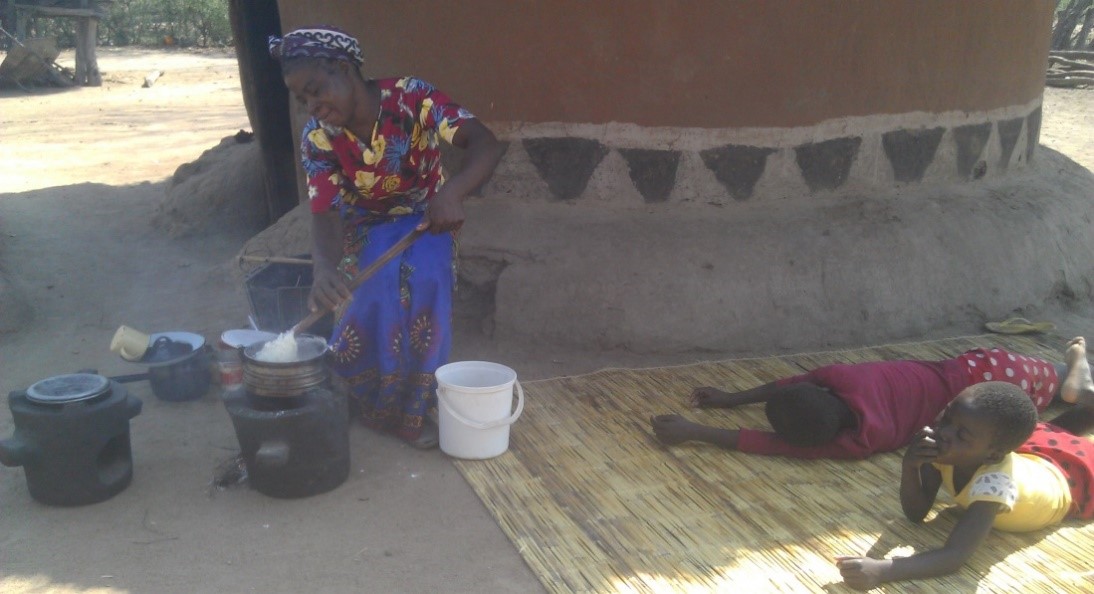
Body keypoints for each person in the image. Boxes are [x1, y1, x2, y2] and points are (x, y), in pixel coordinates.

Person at [268, 26, 503, 448]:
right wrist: (323, 267)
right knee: (372, 290)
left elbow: (485, 143)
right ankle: (369, 399)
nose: (312, 106)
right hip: (364, 224)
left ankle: (415, 409)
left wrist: (452, 193)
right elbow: (324, 211)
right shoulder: (318, 138)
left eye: (315, 90)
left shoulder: (413, 98)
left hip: (426, 218)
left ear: (343, 69)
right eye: (302, 99)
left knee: (426, 280)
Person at [835, 337, 1094, 590]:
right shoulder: (951, 449)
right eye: (946, 418)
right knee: (1051, 435)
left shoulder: (994, 484)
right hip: (1032, 458)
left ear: (993, 455)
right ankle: (1082, 390)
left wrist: (883, 570)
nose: (944, 432)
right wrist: (911, 466)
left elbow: (955, 556)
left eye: (961, 434)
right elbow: (916, 513)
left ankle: (1081, 389)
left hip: (1068, 483)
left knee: (1064, 443)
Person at [650, 345, 1065, 459]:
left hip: (991, 383)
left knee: (1070, 388)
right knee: (1060, 384)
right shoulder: (847, 378)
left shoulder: (864, 442)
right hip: (982, 366)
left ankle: (1078, 360)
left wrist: (700, 432)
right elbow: (792, 382)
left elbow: (771, 444)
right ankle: (1073, 365)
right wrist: (730, 400)